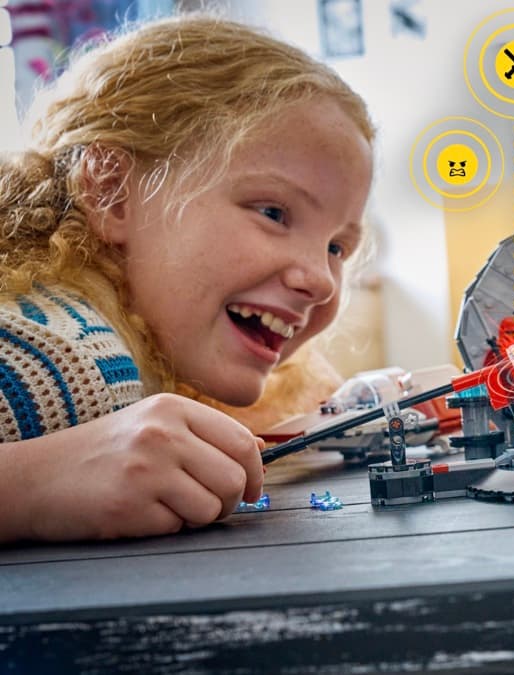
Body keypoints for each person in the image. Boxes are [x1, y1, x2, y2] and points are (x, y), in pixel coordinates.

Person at [0, 15, 374, 542]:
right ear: (112, 192)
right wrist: (27, 486)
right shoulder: (65, 361)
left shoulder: (159, 337)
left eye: (337, 247)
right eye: (272, 213)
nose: (322, 280)